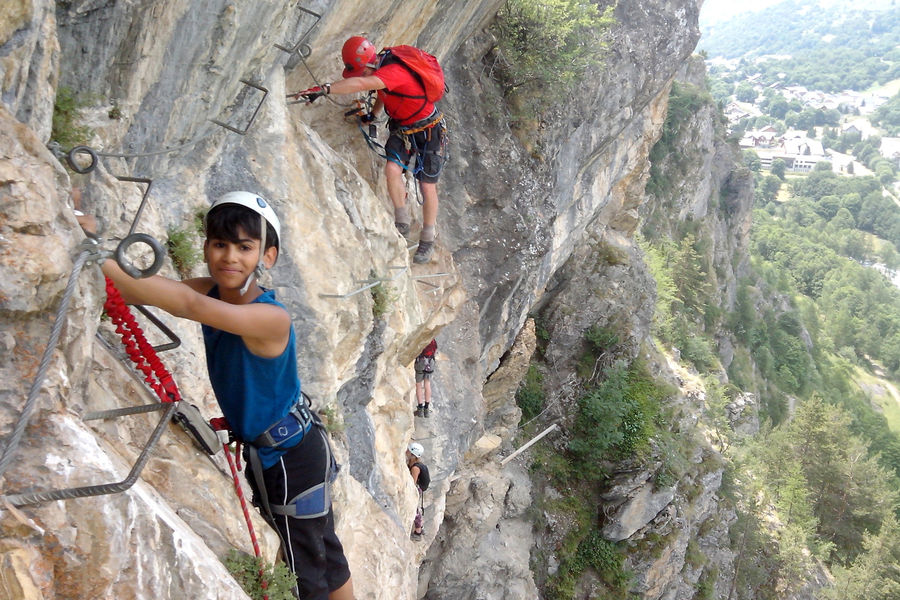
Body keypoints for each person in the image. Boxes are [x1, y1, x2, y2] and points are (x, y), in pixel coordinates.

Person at [78, 191, 354, 600]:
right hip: (290, 447)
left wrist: (88, 250)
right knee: (322, 551)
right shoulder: (212, 292)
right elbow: (137, 291)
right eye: (220, 244)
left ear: (268, 257)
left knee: (304, 571)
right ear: (206, 247)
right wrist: (84, 242)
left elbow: (185, 304)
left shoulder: (269, 317)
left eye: (245, 247)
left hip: (289, 459)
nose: (230, 257)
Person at [294, 36, 446, 264]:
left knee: (427, 185)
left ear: (366, 65)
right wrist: (373, 116)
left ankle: (427, 237)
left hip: (429, 131)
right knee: (392, 170)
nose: (361, 77)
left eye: (360, 72)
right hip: (403, 129)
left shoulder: (392, 72)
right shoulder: (381, 69)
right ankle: (401, 220)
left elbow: (365, 84)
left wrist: (324, 89)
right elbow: (383, 94)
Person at [405, 442, 430, 538]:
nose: (406, 451)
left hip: (417, 488)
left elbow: (413, 483)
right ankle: (420, 527)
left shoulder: (415, 468)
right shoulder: (414, 464)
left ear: (413, 455)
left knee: (414, 509)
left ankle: (418, 531)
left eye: (408, 450)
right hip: (420, 486)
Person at [413, 339, 437, 418]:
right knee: (427, 384)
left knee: (418, 385)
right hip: (430, 362)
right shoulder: (433, 341)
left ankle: (420, 409)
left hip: (421, 362)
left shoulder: (423, 338)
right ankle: (426, 409)